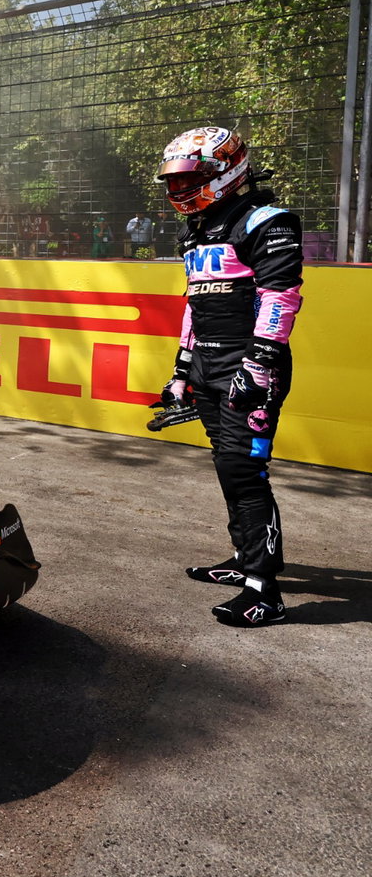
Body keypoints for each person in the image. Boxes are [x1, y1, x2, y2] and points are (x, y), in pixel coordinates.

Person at [154, 125, 303, 627]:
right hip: (207, 365)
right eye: (173, 182)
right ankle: (244, 561)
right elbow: (195, 303)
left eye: (188, 179)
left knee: (246, 473)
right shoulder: (194, 229)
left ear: (227, 171)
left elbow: (280, 298)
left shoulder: (267, 220)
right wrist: (181, 371)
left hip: (249, 364)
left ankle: (266, 590)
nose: (178, 190)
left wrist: (257, 366)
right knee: (227, 466)